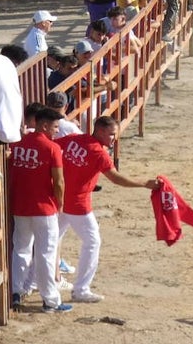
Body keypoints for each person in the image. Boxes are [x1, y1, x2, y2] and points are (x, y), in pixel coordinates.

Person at [57, 117, 160, 303]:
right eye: (112, 134)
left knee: (51, 241)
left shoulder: (74, 139)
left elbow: (53, 146)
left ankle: (34, 282)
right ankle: (80, 289)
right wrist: (145, 183)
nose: (114, 138)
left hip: (60, 198)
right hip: (78, 203)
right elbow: (116, 179)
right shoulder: (99, 153)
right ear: (101, 131)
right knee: (92, 242)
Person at [9, 106, 71, 313]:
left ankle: (15, 291)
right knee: (46, 252)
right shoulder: (52, 148)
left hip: (20, 205)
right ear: (44, 125)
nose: (56, 131)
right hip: (44, 208)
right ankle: (50, 299)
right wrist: (60, 202)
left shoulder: (17, 143)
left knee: (21, 249)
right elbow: (59, 181)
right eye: (54, 127)